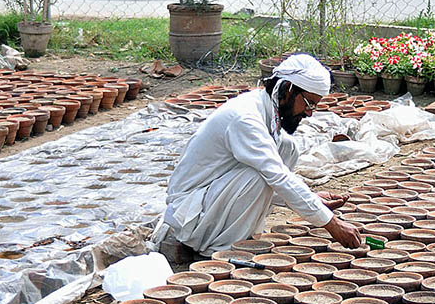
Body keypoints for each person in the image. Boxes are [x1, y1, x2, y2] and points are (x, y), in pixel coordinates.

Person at [153, 54, 362, 260]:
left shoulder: (265, 109)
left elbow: (275, 181)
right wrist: (332, 224)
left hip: (211, 197)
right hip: (190, 214)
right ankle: (219, 248)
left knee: (287, 148)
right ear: (288, 90)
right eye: (308, 103)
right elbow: (276, 178)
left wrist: (311, 199)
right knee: (261, 174)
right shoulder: (245, 118)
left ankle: (236, 236)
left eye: (315, 106)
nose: (309, 113)